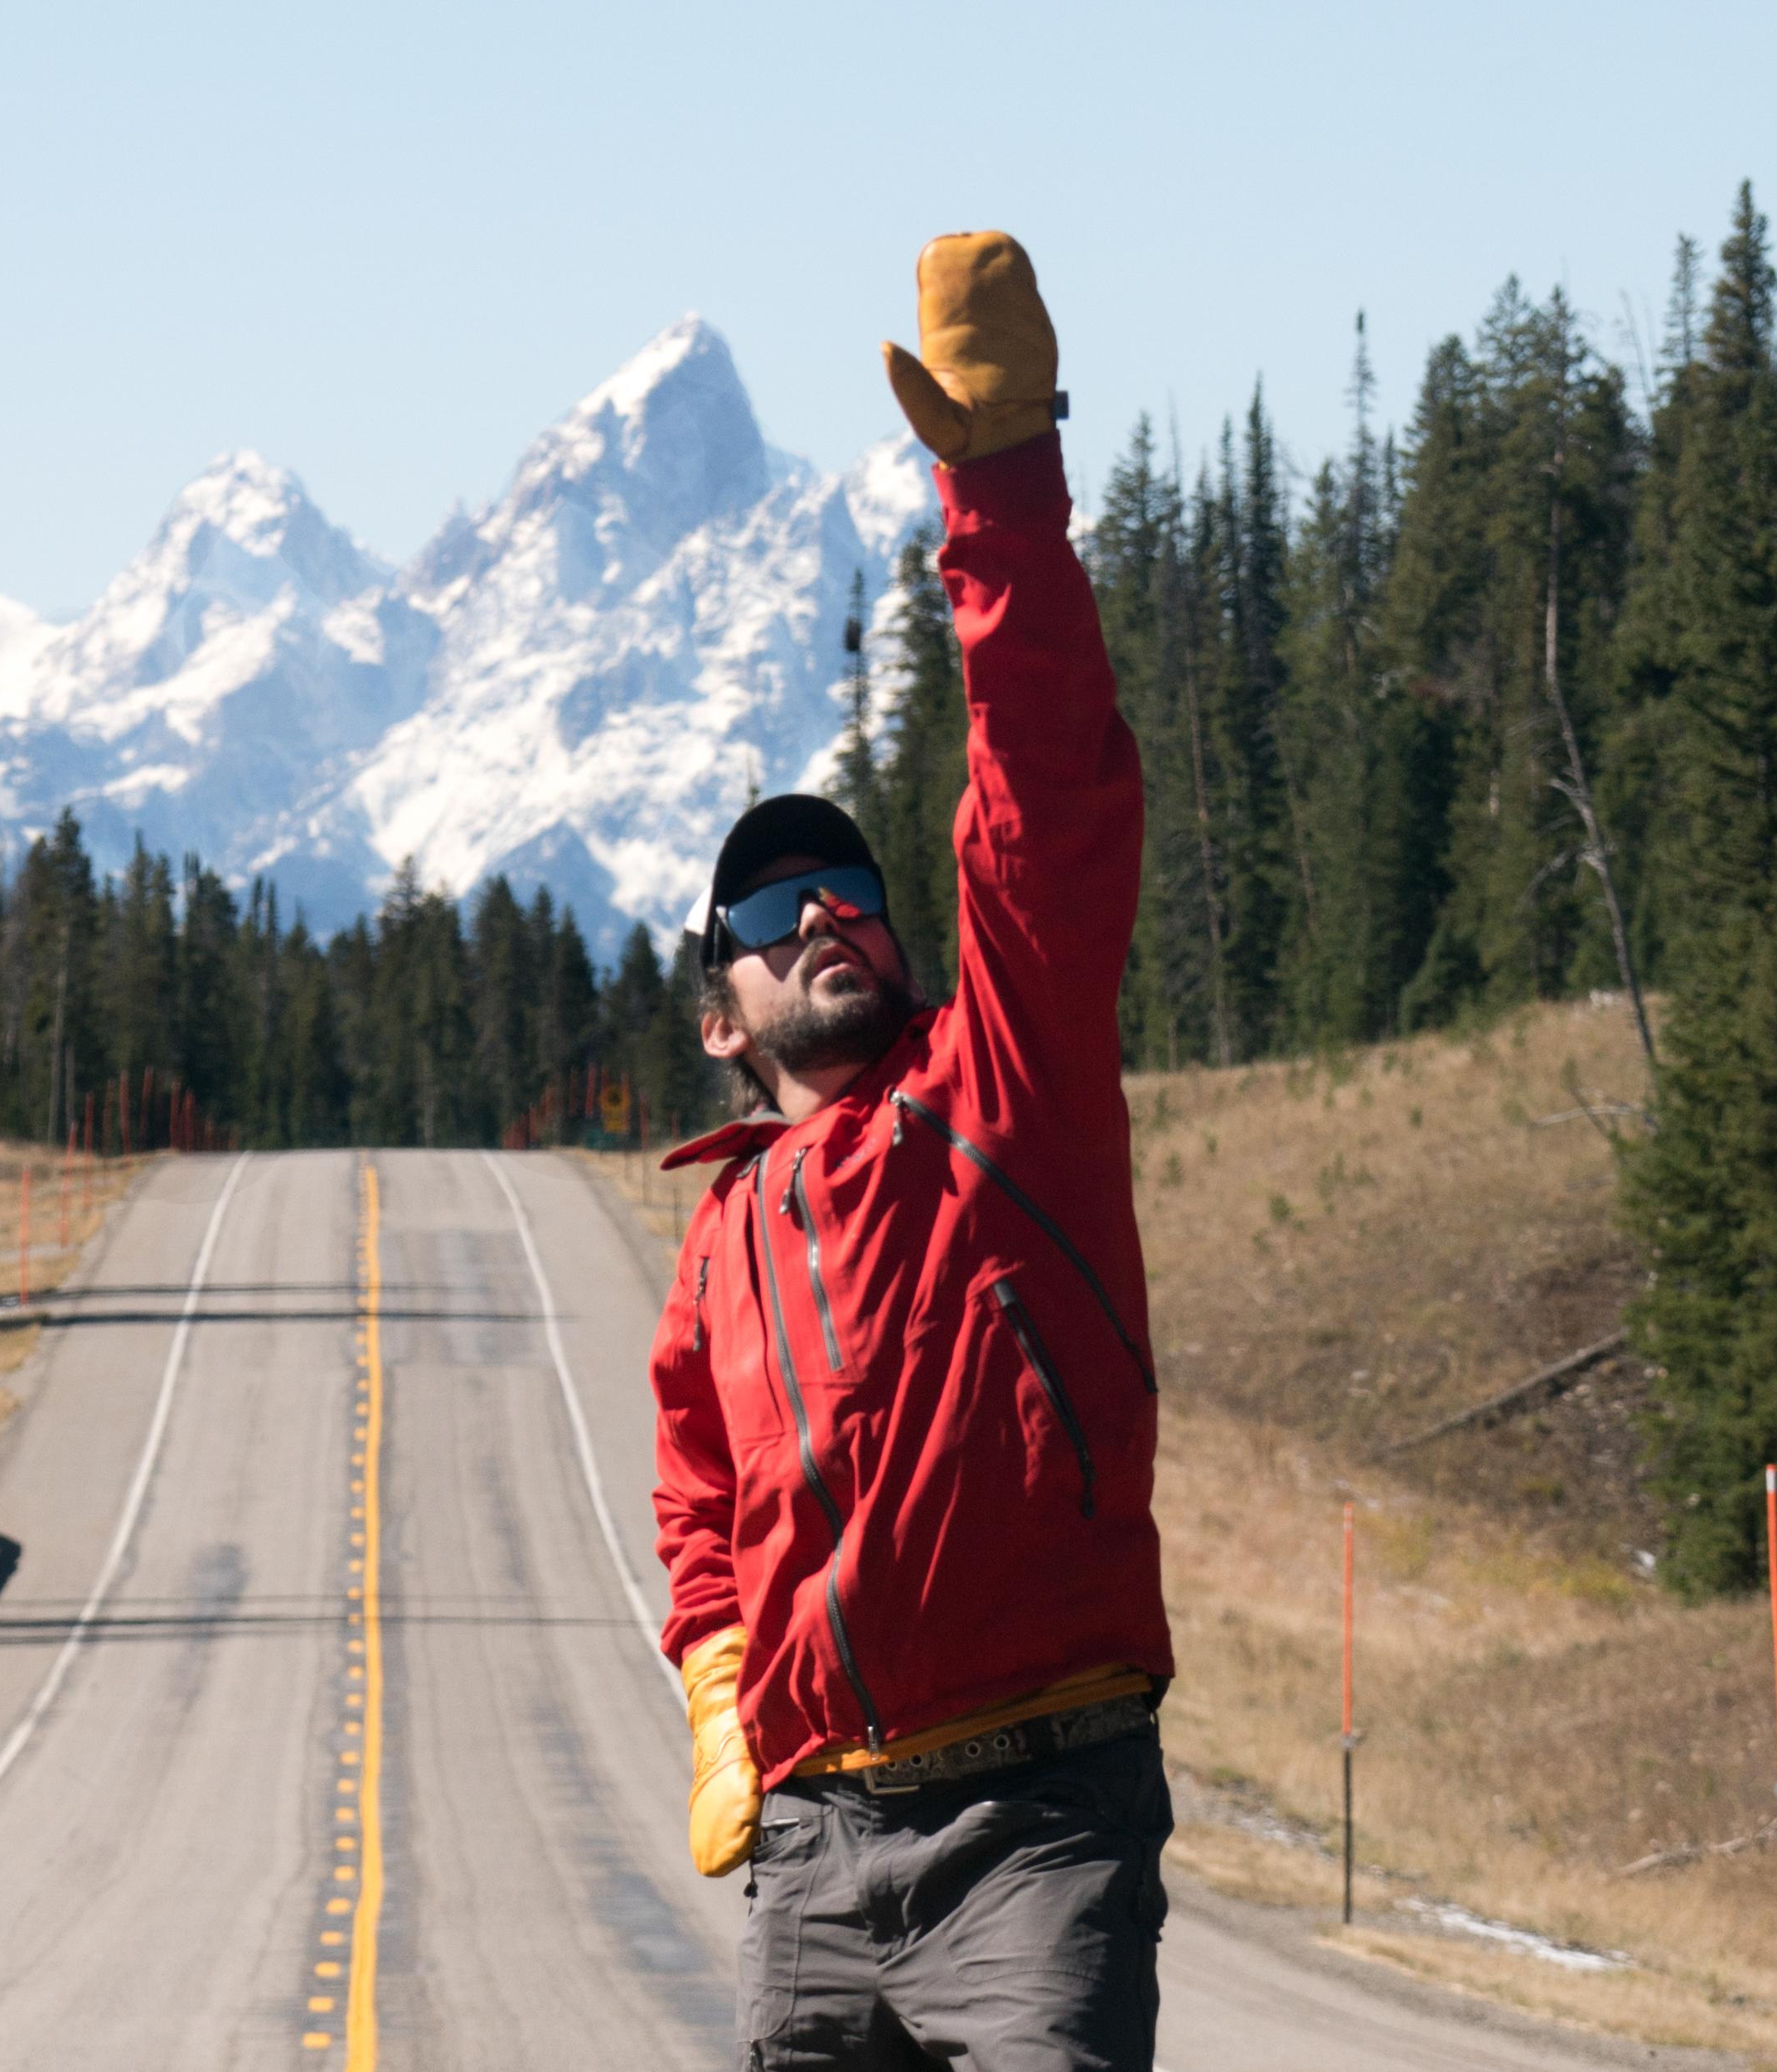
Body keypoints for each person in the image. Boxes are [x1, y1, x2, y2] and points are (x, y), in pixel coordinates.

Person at [648, 231, 1174, 2071]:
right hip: (810, 1861)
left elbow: (1040, 781)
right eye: (773, 905)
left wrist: (997, 477)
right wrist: (721, 1681)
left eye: (851, 888)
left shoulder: (996, 1084)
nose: (825, 912)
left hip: (1035, 1826)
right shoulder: (717, 1240)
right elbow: (698, 1505)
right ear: (719, 1012)